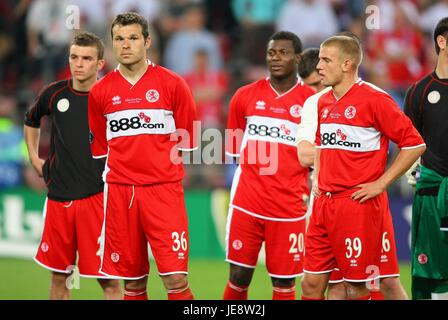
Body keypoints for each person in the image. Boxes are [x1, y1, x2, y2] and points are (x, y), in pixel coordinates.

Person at [300, 35, 426, 300]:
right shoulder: (323, 102)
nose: (319, 66)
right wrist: (319, 180)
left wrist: (381, 183)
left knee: (357, 288)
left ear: (347, 64)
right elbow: (322, 146)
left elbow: (415, 144)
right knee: (311, 284)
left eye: (325, 60)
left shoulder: (375, 100)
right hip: (324, 204)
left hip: (357, 204)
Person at [88, 12, 197, 300]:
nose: (125, 45)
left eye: (133, 38)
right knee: (133, 283)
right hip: (121, 193)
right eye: (119, 39)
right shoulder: (100, 92)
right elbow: (101, 149)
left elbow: (187, 141)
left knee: (175, 279)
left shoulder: (173, 84)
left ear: (147, 41)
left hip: (164, 192)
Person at [23, 32, 122, 300]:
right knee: (59, 279)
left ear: (100, 63)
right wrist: (34, 158)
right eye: (74, 57)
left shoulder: (111, 98)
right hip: (58, 199)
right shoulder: (53, 93)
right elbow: (31, 119)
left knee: (109, 282)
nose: (78, 63)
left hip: (98, 199)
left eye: (87, 58)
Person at [223, 31, 315, 300]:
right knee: (238, 277)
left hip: (289, 206)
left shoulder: (311, 103)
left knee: (284, 284)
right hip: (247, 203)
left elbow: (316, 155)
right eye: (272, 52)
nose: (276, 58)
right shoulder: (244, 96)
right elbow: (233, 148)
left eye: (283, 53)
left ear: (298, 58)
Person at [404, 17, 448, 300]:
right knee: (429, 268)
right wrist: (412, 171)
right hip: (433, 192)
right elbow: (408, 143)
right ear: (442, 42)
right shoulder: (419, 91)